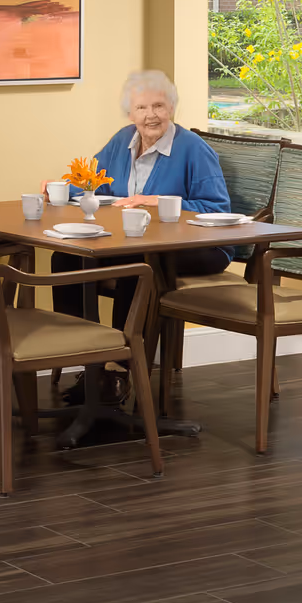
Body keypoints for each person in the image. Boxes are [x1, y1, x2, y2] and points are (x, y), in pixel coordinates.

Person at [65, 69, 231, 394]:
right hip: (136, 243)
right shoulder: (122, 141)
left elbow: (218, 208)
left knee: (135, 264)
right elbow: (90, 180)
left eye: (159, 106)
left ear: (171, 109)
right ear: (131, 113)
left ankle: (120, 369)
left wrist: (158, 202)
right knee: (66, 259)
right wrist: (60, 186)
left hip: (200, 248)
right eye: (142, 108)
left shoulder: (193, 149)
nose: (150, 115)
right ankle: (86, 359)